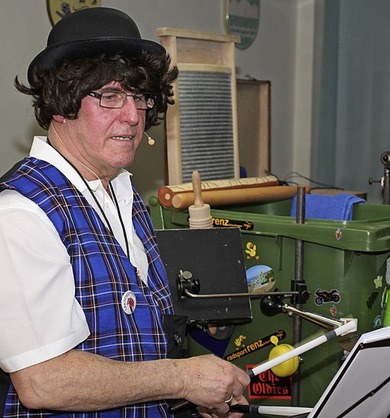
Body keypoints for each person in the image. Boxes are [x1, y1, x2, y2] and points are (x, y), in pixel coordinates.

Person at [0, 7, 250, 417]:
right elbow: (43, 380)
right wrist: (182, 378)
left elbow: (134, 341)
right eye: (110, 96)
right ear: (61, 103)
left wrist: (191, 394)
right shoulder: (21, 214)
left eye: (139, 97)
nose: (134, 116)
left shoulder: (122, 191)